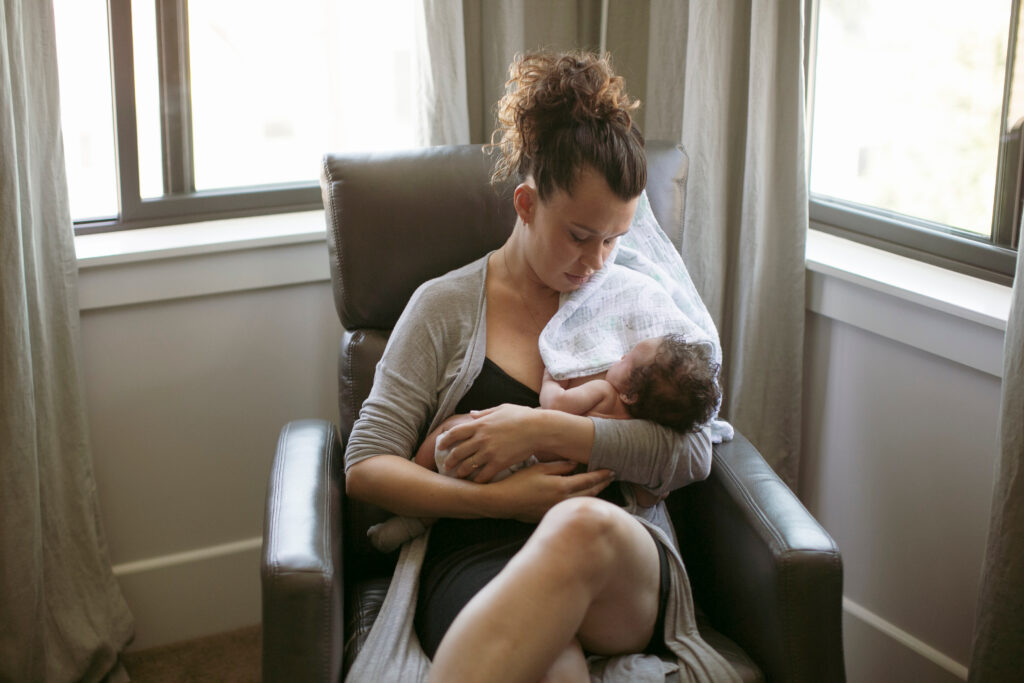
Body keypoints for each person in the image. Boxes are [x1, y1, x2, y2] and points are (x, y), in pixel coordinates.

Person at [343, 50, 737, 683]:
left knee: (579, 525)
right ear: (526, 205)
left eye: (615, 238)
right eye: (580, 235)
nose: (598, 261)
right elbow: (365, 468)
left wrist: (541, 431)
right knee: (552, 668)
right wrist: (498, 501)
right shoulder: (443, 308)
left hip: (614, 556)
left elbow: (694, 453)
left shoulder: (632, 300)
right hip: (476, 558)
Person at [366, 333, 722, 553]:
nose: (619, 355)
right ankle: (421, 509)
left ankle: (417, 504)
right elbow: (645, 496)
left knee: (453, 427)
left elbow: (555, 406)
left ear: (630, 394)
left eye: (626, 359)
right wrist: (656, 491)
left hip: (520, 460)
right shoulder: (645, 425)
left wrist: (552, 375)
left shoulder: (602, 390)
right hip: (561, 493)